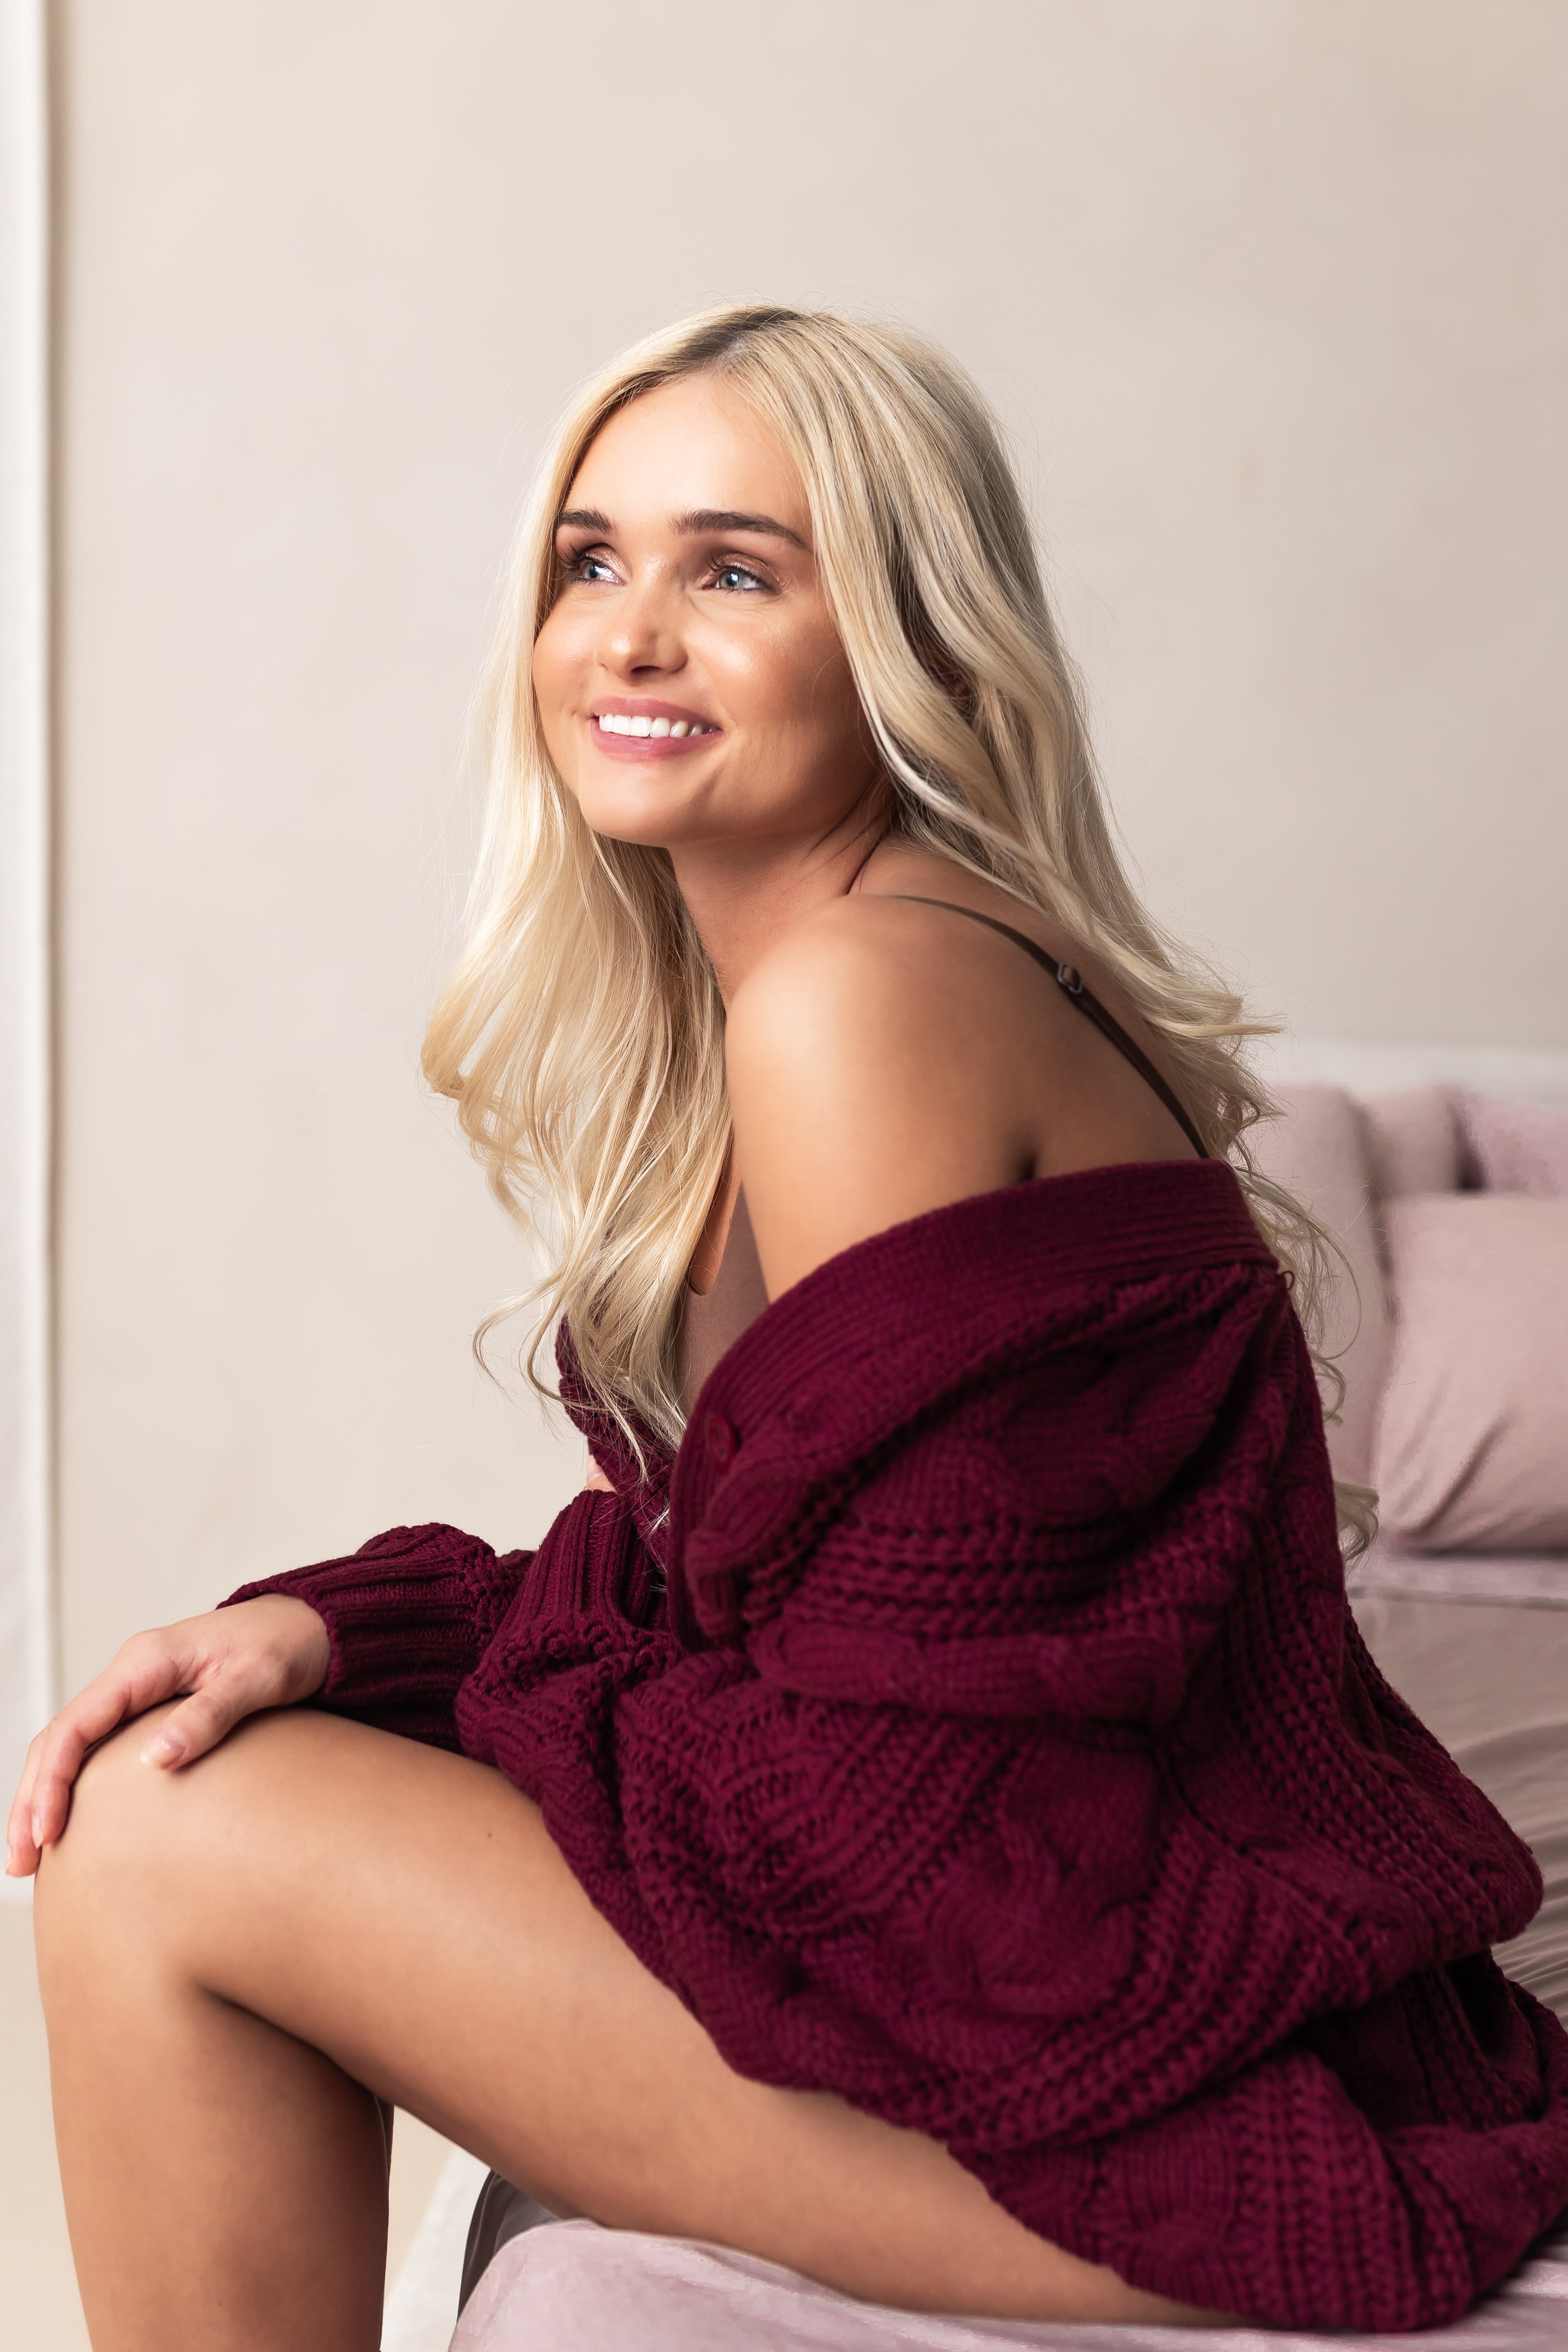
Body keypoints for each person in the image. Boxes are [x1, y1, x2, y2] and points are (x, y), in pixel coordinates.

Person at [9, 305, 1567, 2352]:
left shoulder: (857, 1002)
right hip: (1070, 1981)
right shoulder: (858, 964)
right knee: (189, 1788)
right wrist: (365, 1637)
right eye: (591, 560)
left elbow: (881, 1805)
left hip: (1127, 2080)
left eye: (734, 572)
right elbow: (765, 1608)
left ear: (918, 642)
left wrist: (449, 1705)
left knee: (158, 1841)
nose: (630, 637)